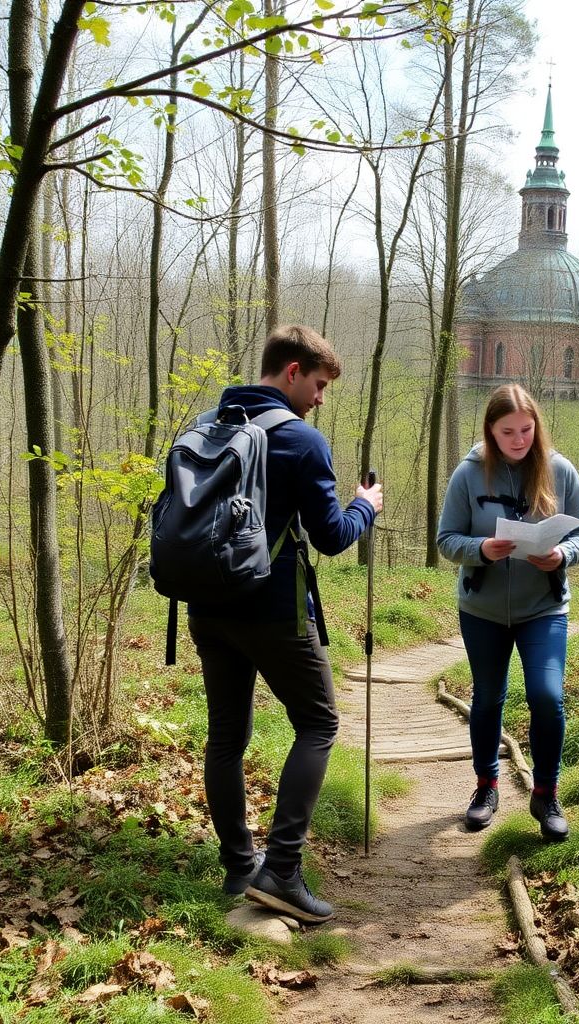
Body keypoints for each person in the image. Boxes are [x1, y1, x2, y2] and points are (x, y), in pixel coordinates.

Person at [187, 324, 382, 925]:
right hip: (273, 609)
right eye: (319, 384)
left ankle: (240, 865)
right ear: (292, 372)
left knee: (226, 736)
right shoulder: (301, 441)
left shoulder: (204, 426)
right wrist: (365, 508)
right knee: (319, 722)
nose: (322, 397)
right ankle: (282, 871)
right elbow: (332, 536)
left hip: (206, 605)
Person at [438, 383, 579, 841]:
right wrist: (482, 548)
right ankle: (485, 787)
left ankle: (545, 793)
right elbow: (446, 539)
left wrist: (564, 554)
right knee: (488, 697)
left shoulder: (560, 471)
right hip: (482, 607)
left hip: (543, 607)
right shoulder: (468, 476)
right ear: (490, 431)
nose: (519, 439)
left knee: (547, 696)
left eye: (527, 430)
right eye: (508, 431)